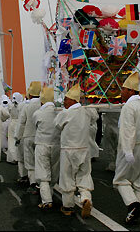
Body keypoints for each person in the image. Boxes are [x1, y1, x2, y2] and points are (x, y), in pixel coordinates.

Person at [113, 72, 140, 225]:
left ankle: (132, 204)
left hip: (133, 147)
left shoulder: (129, 107)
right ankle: (136, 209)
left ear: (131, 91)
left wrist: (128, 151)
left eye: (123, 89)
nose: (121, 92)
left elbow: (128, 130)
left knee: (121, 179)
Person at [55, 84, 94, 218]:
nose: (65, 102)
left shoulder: (66, 113)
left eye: (66, 99)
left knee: (67, 177)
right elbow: (94, 118)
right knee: (84, 175)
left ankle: (68, 206)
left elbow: (57, 125)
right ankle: (85, 198)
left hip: (68, 149)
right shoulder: (87, 111)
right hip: (84, 149)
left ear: (73, 100)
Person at [33, 86, 60, 210]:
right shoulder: (59, 112)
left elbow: (35, 126)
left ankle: (46, 200)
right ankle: (50, 193)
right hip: (56, 145)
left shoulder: (38, 113)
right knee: (54, 172)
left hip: (42, 145)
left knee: (43, 173)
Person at [15, 81, 42, 194]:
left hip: (28, 136)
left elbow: (22, 123)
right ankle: (42, 183)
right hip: (41, 137)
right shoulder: (43, 104)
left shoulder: (27, 106)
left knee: (30, 162)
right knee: (41, 161)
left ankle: (33, 183)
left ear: (29, 94)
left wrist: (17, 137)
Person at [7, 92, 24, 164]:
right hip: (18, 123)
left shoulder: (10, 105)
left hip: (12, 123)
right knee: (18, 140)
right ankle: (17, 157)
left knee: (11, 140)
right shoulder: (22, 106)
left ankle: (12, 157)